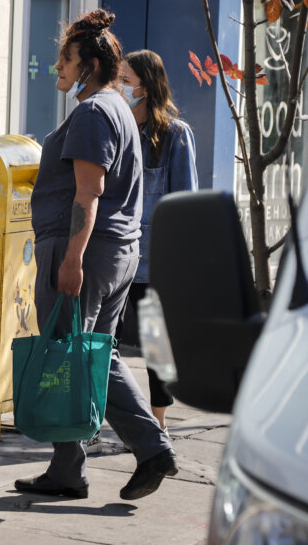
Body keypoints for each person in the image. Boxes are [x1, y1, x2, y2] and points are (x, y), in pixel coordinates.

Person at [15, 9, 178, 501]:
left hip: (87, 252)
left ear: (88, 64)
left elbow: (89, 193)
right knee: (91, 355)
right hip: (117, 251)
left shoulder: (93, 113)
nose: (57, 65)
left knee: (76, 355)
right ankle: (69, 468)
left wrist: (72, 259)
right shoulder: (118, 109)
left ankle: (151, 449)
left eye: (65, 58)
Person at [115, 49, 198, 430]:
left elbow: (185, 206)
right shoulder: (118, 129)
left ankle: (158, 422)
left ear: (145, 87)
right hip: (115, 257)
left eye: (126, 80)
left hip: (153, 265)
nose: (119, 87)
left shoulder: (175, 136)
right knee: (104, 342)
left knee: (155, 346)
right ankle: (101, 419)